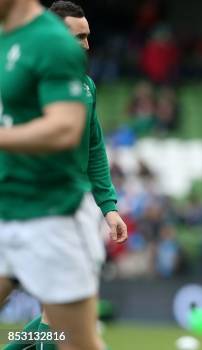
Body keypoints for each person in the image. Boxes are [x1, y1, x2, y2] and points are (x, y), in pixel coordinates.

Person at [0, 1, 125, 349]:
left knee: (64, 330)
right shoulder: (13, 52)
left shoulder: (81, 85)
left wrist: (109, 205)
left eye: (88, 37)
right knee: (57, 326)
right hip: (10, 205)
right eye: (79, 37)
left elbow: (91, 146)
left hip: (54, 211)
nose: (86, 45)